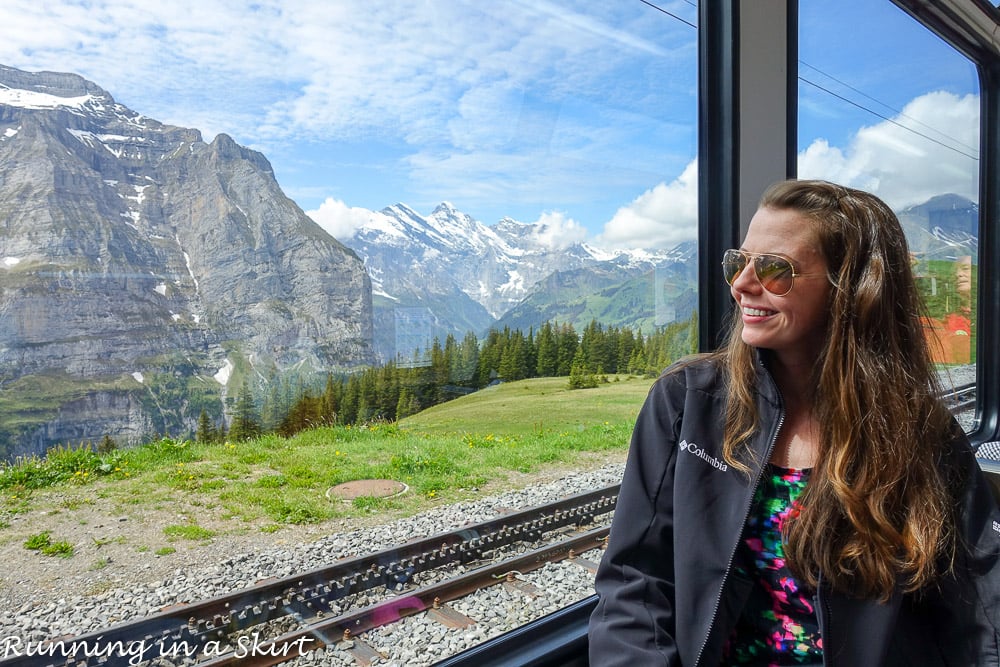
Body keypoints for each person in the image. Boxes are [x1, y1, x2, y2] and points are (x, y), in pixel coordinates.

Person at [588, 179, 1000, 666]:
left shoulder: (920, 437)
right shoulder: (688, 403)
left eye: (774, 269)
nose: (742, 284)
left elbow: (978, 616)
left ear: (851, 290)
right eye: (737, 263)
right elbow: (634, 580)